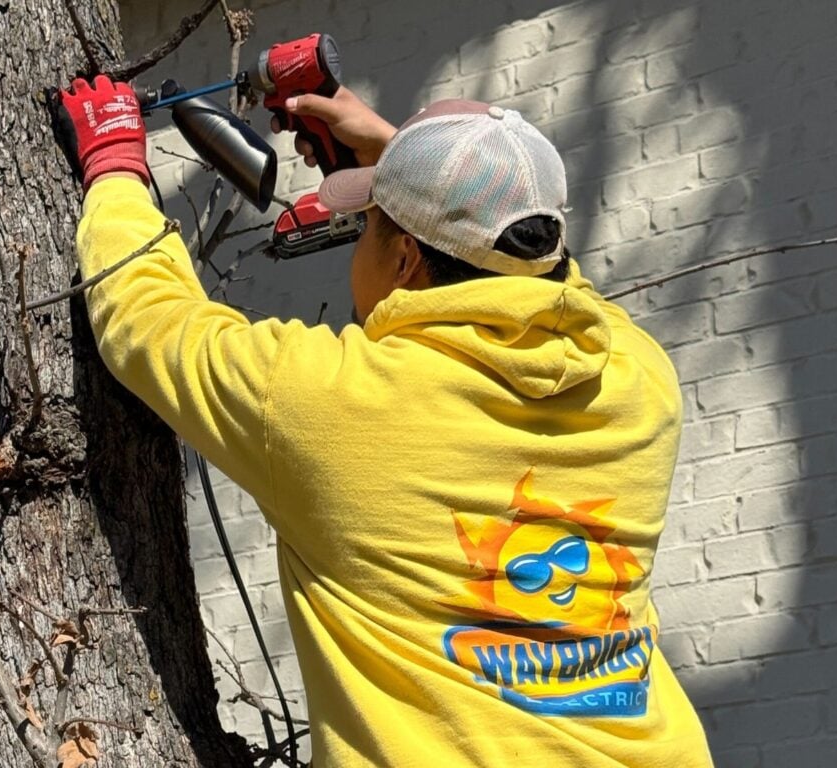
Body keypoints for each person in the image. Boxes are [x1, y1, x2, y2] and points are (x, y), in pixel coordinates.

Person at [58, 75, 714, 767]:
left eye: (367, 226)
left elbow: (148, 320)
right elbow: (554, 278)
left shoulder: (328, 401)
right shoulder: (637, 375)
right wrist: (412, 163)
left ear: (404, 259)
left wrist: (114, 166)